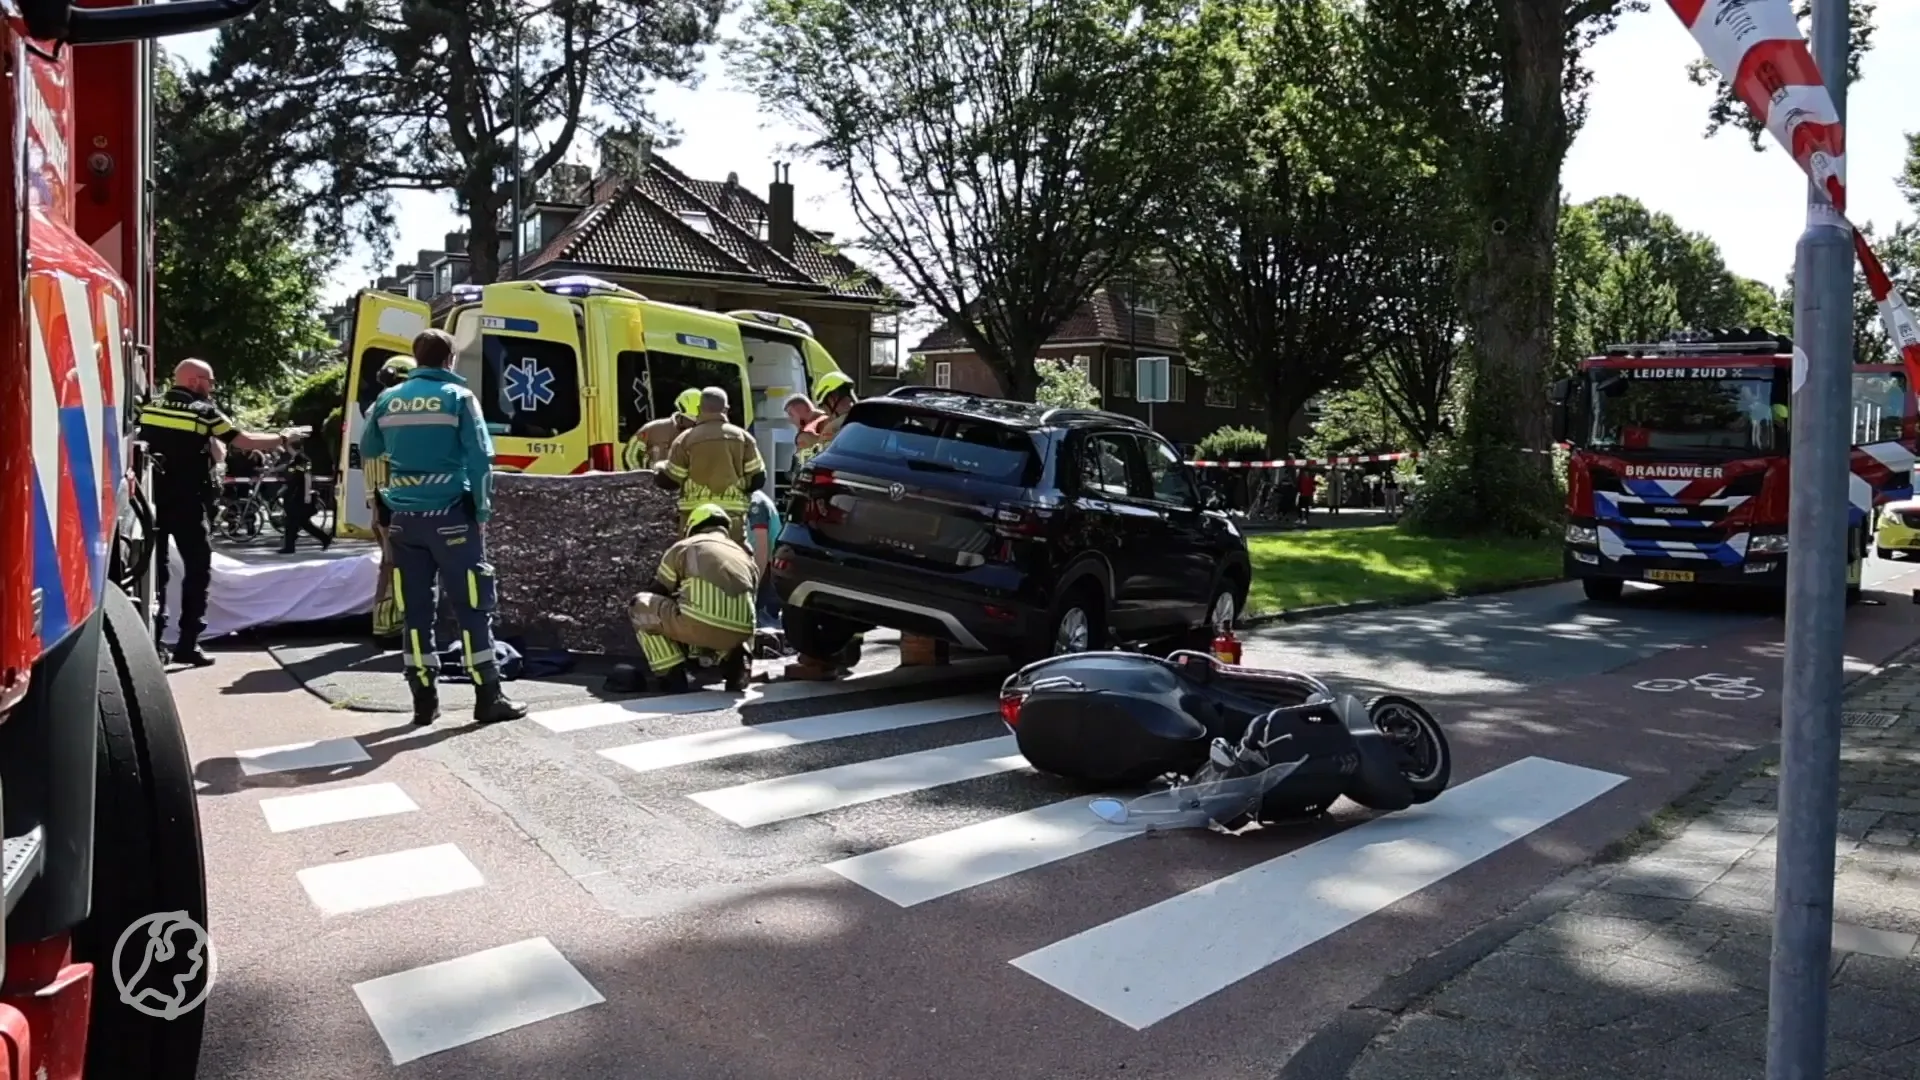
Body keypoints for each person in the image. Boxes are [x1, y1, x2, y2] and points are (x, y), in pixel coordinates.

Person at [359, 329, 528, 726]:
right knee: (473, 605)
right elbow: (481, 458)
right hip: (452, 516)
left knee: (416, 612)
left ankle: (423, 701)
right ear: (450, 359)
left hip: (404, 521)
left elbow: (368, 450)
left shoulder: (387, 399)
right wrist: (482, 513)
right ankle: (488, 695)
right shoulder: (459, 398)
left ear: (416, 359)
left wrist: (390, 489)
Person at [137, 359, 295, 666]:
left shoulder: (150, 408)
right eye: (209, 382)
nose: (211, 388)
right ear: (195, 381)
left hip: (153, 501)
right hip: (189, 502)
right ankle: (188, 644)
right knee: (197, 571)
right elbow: (243, 440)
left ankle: (153, 644)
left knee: (157, 572)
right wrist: (284, 437)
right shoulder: (204, 412)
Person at [622, 503, 758, 693]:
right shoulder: (744, 556)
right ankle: (739, 663)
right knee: (739, 614)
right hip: (741, 632)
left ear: (692, 526)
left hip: (697, 625)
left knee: (640, 606)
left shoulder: (685, 546)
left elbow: (658, 591)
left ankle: (671, 674)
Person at [654, 386, 765, 540]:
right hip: (732, 519)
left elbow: (671, 480)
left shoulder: (684, 440)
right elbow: (758, 479)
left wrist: (660, 467)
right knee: (738, 559)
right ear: (725, 409)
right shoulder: (744, 438)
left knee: (688, 558)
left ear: (699, 409)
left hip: (694, 520)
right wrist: (740, 485)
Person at [368, 355, 414, 640]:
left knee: (390, 561)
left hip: (382, 500)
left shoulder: (378, 407)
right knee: (395, 562)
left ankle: (385, 621)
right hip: (395, 499)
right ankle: (390, 624)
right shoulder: (394, 409)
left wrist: (374, 507)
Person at [623, 388, 702, 470]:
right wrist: (640, 477)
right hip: (654, 481)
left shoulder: (703, 435)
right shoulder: (653, 429)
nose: (694, 424)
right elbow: (629, 455)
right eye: (691, 419)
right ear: (681, 414)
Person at [277, 434, 331, 554]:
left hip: (298, 494)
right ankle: (323, 539)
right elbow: (290, 472)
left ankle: (290, 547)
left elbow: (307, 476)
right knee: (300, 522)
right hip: (293, 492)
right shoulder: (295, 459)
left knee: (292, 520)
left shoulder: (302, 459)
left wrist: (307, 494)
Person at [744, 487, 784, 628]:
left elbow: (762, 548)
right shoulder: (756, 499)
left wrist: (754, 583)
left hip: (765, 571)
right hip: (764, 569)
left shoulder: (756, 503)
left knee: (764, 625)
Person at [786, 393, 829, 469]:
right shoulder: (825, 420)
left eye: (791, 414)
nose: (790, 420)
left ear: (802, 410)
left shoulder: (809, 431)